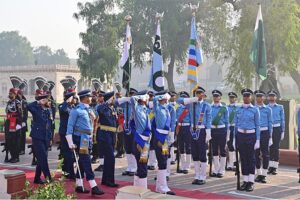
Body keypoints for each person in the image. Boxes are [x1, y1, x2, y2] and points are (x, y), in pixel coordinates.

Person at [66, 89, 104, 195]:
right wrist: (70, 142)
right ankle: (93, 185)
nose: (91, 98)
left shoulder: (89, 109)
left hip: (88, 138)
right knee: (86, 161)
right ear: (85, 98)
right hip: (80, 139)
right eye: (89, 97)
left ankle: (79, 185)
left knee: (82, 162)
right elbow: (70, 126)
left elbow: (94, 120)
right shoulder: (76, 110)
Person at [178, 86, 212, 185]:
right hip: (192, 130)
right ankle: (197, 176)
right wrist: (192, 99)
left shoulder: (206, 106)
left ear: (204, 94)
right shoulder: (191, 104)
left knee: (202, 154)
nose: (199, 94)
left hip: (201, 130)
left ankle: (203, 176)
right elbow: (179, 101)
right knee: (195, 154)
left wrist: (208, 132)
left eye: (201, 93)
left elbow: (208, 119)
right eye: (197, 93)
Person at [235, 88, 260, 192]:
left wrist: (258, 139)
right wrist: (234, 139)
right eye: (244, 96)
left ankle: (251, 181)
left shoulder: (255, 110)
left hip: (251, 135)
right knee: (243, 158)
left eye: (248, 96)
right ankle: (245, 181)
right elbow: (236, 125)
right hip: (240, 135)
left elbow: (258, 125)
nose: (246, 97)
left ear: (251, 97)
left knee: (251, 158)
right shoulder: (238, 109)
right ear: (243, 97)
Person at [153, 90, 176, 195]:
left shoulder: (167, 109)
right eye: (165, 97)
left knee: (164, 159)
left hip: (165, 138)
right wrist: (160, 95)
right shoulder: (157, 108)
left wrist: (171, 135)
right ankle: (162, 186)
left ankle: (160, 185)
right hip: (159, 137)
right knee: (161, 160)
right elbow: (154, 99)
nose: (167, 98)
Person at [28, 93, 52, 184]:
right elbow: (28, 106)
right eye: (46, 100)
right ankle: (48, 178)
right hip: (37, 136)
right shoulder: (36, 109)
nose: (48, 101)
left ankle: (37, 178)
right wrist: (37, 101)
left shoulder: (48, 110)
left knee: (42, 158)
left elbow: (50, 125)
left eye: (48, 100)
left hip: (46, 137)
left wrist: (50, 138)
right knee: (43, 158)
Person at [97, 91, 119, 187]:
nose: (114, 100)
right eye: (113, 98)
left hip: (112, 135)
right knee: (111, 159)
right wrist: (106, 103)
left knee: (108, 159)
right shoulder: (103, 107)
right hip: (105, 135)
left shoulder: (112, 108)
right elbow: (99, 109)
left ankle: (105, 180)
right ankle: (110, 181)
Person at [129, 90, 151, 188]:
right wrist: (141, 96)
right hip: (140, 140)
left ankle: (138, 188)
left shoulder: (145, 109)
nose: (148, 98)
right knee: (142, 166)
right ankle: (142, 190)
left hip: (145, 141)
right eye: (146, 96)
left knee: (142, 164)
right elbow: (132, 98)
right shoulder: (137, 109)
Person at [117, 88, 138, 177]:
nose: (131, 96)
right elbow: (116, 104)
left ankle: (135, 168)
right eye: (130, 95)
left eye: (133, 95)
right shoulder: (125, 104)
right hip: (126, 127)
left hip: (134, 128)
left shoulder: (137, 104)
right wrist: (124, 98)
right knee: (128, 148)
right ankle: (129, 167)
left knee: (134, 149)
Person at [254, 90, 273, 183]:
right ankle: (259, 173)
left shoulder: (268, 109)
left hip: (265, 132)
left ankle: (264, 174)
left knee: (265, 154)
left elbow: (270, 123)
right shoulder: (253, 108)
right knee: (256, 154)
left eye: (261, 96)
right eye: (257, 96)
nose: (259, 98)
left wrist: (270, 136)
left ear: (264, 98)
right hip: (255, 134)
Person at [58, 90, 77, 180]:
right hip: (65, 133)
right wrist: (67, 102)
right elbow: (63, 110)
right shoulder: (63, 105)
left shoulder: (73, 106)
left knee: (70, 153)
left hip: (72, 132)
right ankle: (70, 173)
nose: (75, 99)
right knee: (67, 153)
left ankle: (67, 171)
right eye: (73, 97)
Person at [210, 90, 229, 178]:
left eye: (217, 96)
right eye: (214, 96)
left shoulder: (224, 108)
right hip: (213, 130)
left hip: (222, 130)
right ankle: (216, 169)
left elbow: (227, 122)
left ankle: (222, 170)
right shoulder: (210, 107)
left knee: (222, 150)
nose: (215, 97)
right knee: (214, 150)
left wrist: (227, 134)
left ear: (220, 97)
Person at [267, 90, 285, 175]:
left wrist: (283, 131)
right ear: (268, 97)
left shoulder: (280, 107)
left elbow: (282, 119)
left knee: (276, 147)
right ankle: (270, 166)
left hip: (277, 128)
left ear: (276, 97)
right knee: (270, 147)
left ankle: (275, 167)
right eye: (270, 96)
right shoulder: (266, 107)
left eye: (273, 96)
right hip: (269, 129)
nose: (271, 97)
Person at [5, 88, 23, 163]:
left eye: (11, 93)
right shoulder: (9, 102)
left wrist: (19, 125)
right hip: (9, 122)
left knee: (15, 141)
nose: (9, 95)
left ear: (15, 94)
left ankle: (16, 157)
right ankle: (12, 156)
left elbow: (20, 114)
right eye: (9, 93)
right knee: (9, 141)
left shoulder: (17, 103)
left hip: (15, 123)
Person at [176, 91, 192, 174]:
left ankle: (187, 166)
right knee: (181, 146)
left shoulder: (189, 108)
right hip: (180, 127)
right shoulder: (178, 108)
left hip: (188, 127)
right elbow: (176, 119)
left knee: (188, 146)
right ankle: (182, 165)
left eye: (185, 98)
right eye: (182, 98)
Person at [226, 92, 238, 171]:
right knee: (229, 145)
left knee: (235, 145)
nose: (231, 99)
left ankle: (235, 163)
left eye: (233, 97)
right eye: (230, 97)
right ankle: (230, 163)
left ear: (235, 99)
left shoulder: (238, 108)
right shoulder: (226, 108)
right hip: (228, 128)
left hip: (236, 127)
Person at [166, 91, 177, 178]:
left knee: (167, 153)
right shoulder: (157, 108)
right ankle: (161, 172)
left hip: (168, 133)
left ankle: (167, 172)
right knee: (160, 153)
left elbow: (173, 122)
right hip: (159, 133)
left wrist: (172, 133)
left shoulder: (171, 108)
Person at [94, 90, 105, 172]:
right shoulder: (98, 105)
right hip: (98, 128)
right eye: (98, 96)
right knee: (100, 147)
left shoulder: (102, 106)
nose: (98, 97)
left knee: (102, 147)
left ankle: (103, 164)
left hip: (102, 129)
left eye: (100, 96)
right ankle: (102, 164)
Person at [147, 91, 158, 170]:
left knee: (154, 145)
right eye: (149, 96)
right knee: (149, 146)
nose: (150, 98)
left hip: (155, 127)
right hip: (148, 127)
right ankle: (150, 162)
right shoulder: (146, 106)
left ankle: (153, 163)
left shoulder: (156, 107)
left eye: (151, 96)